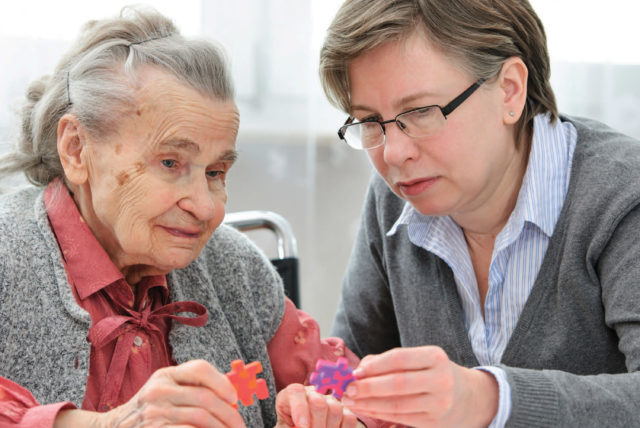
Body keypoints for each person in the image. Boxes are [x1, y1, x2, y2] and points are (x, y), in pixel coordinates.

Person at [0, 7, 368, 428]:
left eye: (215, 173)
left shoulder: (235, 270)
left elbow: (342, 383)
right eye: (171, 162)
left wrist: (336, 414)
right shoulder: (9, 257)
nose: (205, 207)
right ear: (76, 149)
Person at [317, 0, 640, 427]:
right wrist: (324, 399)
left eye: (419, 113)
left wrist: (487, 399)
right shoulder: (394, 199)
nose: (394, 154)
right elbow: (350, 362)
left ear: (509, 90)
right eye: (370, 121)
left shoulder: (622, 194)